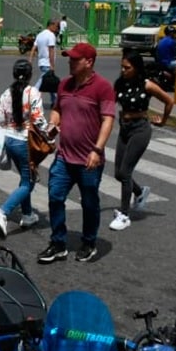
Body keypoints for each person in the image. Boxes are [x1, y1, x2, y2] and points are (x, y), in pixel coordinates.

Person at [37, 43, 116, 264]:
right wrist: (53, 124)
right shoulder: (64, 85)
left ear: (89, 62)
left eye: (75, 59)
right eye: (70, 58)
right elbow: (57, 109)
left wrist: (97, 150)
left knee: (89, 202)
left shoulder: (102, 87)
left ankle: (89, 241)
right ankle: (58, 243)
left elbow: (108, 119)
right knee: (54, 197)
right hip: (64, 156)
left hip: (89, 158)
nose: (70, 62)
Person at [108, 52, 174, 231]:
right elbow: (109, 103)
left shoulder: (147, 85)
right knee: (118, 173)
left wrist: (164, 120)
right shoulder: (120, 84)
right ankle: (139, 193)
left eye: (127, 67)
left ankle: (124, 214)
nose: (123, 70)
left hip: (140, 129)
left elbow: (169, 101)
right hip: (125, 128)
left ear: (136, 68)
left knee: (125, 172)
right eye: (122, 66)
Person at [0, 59, 49, 239]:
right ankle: (3, 211)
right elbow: (38, 119)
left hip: (10, 140)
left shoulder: (6, 93)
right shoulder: (32, 92)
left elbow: (0, 119)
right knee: (29, 182)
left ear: (14, 74)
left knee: (24, 176)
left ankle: (27, 215)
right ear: (29, 75)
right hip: (25, 141)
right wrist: (48, 135)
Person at [29, 18, 60, 108]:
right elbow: (51, 50)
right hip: (47, 63)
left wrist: (30, 60)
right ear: (51, 25)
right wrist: (52, 64)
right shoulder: (51, 36)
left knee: (50, 82)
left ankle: (54, 101)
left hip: (41, 62)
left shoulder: (40, 35)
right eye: (56, 26)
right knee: (41, 82)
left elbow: (34, 48)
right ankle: (31, 97)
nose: (57, 28)